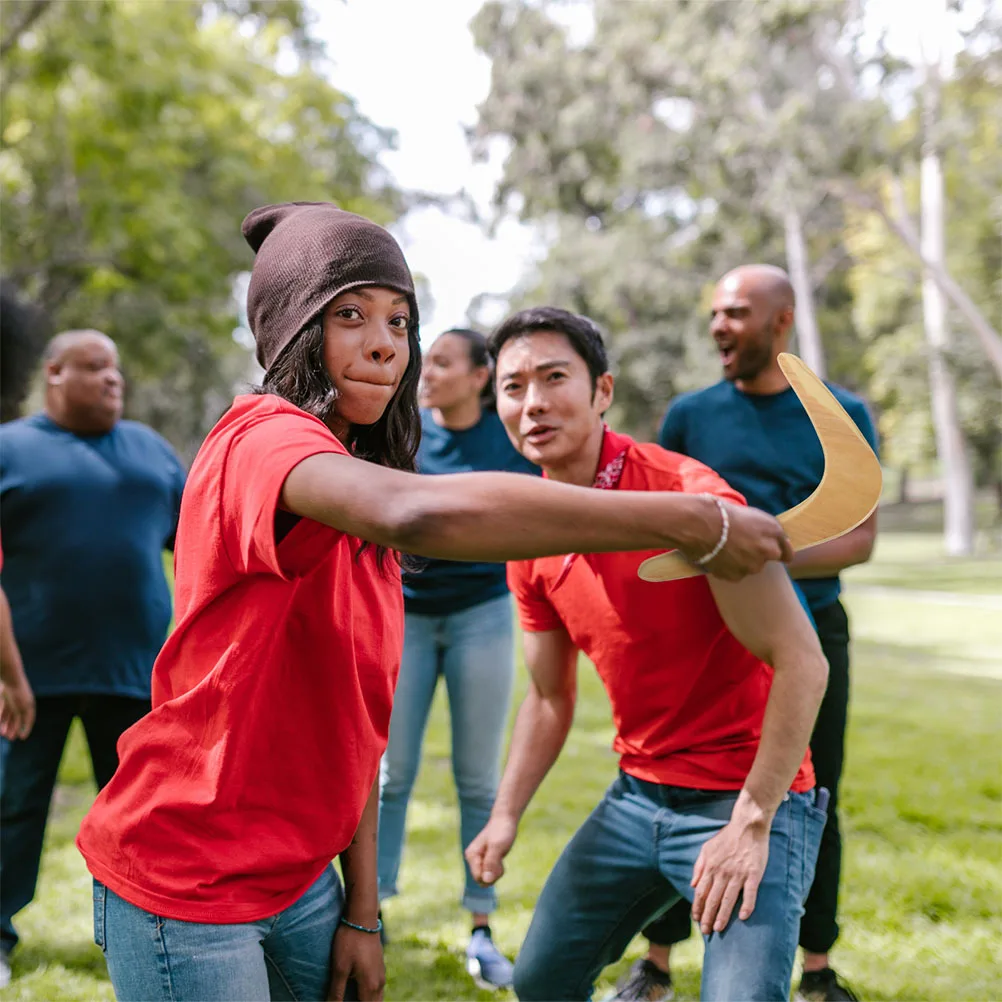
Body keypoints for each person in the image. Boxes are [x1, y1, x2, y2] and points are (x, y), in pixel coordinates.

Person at [74, 202, 793, 1002]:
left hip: (301, 879)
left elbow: (355, 724)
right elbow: (416, 513)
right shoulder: (261, 439)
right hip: (188, 874)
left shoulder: (357, 494)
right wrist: (686, 519)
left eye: (400, 320)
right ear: (293, 328)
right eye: (349, 315)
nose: (386, 342)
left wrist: (362, 910)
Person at [465, 306, 830, 1002]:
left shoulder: (693, 500)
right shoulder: (530, 536)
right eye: (513, 387)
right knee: (540, 983)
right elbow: (548, 695)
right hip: (638, 796)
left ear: (602, 390)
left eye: (554, 377)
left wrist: (751, 822)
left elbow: (802, 661)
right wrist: (505, 814)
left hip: (750, 797)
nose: (533, 402)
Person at [629, 264, 878, 1002]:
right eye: (715, 312)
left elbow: (859, 539)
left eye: (736, 312)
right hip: (711, 636)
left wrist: (757, 551)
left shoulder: (843, 413)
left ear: (782, 320)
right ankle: (657, 962)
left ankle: (817, 968)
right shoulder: (690, 415)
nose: (719, 326)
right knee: (686, 789)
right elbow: (668, 521)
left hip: (813, 632)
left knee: (815, 795)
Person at [0, 329, 186, 984]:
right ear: (54, 373)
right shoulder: (9, 449)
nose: (114, 378)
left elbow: (198, 549)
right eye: (95, 367)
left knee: (141, 817)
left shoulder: (151, 451)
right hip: (28, 680)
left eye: (116, 368)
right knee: (12, 807)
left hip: (136, 674)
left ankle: (146, 936)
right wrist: (7, 674)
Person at [378, 327, 538, 990]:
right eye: (428, 362)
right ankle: (369, 913)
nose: (427, 373)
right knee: (391, 774)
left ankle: (481, 925)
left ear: (479, 377)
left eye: (443, 362)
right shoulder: (401, 432)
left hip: (482, 616)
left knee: (477, 779)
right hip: (406, 616)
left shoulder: (510, 440)